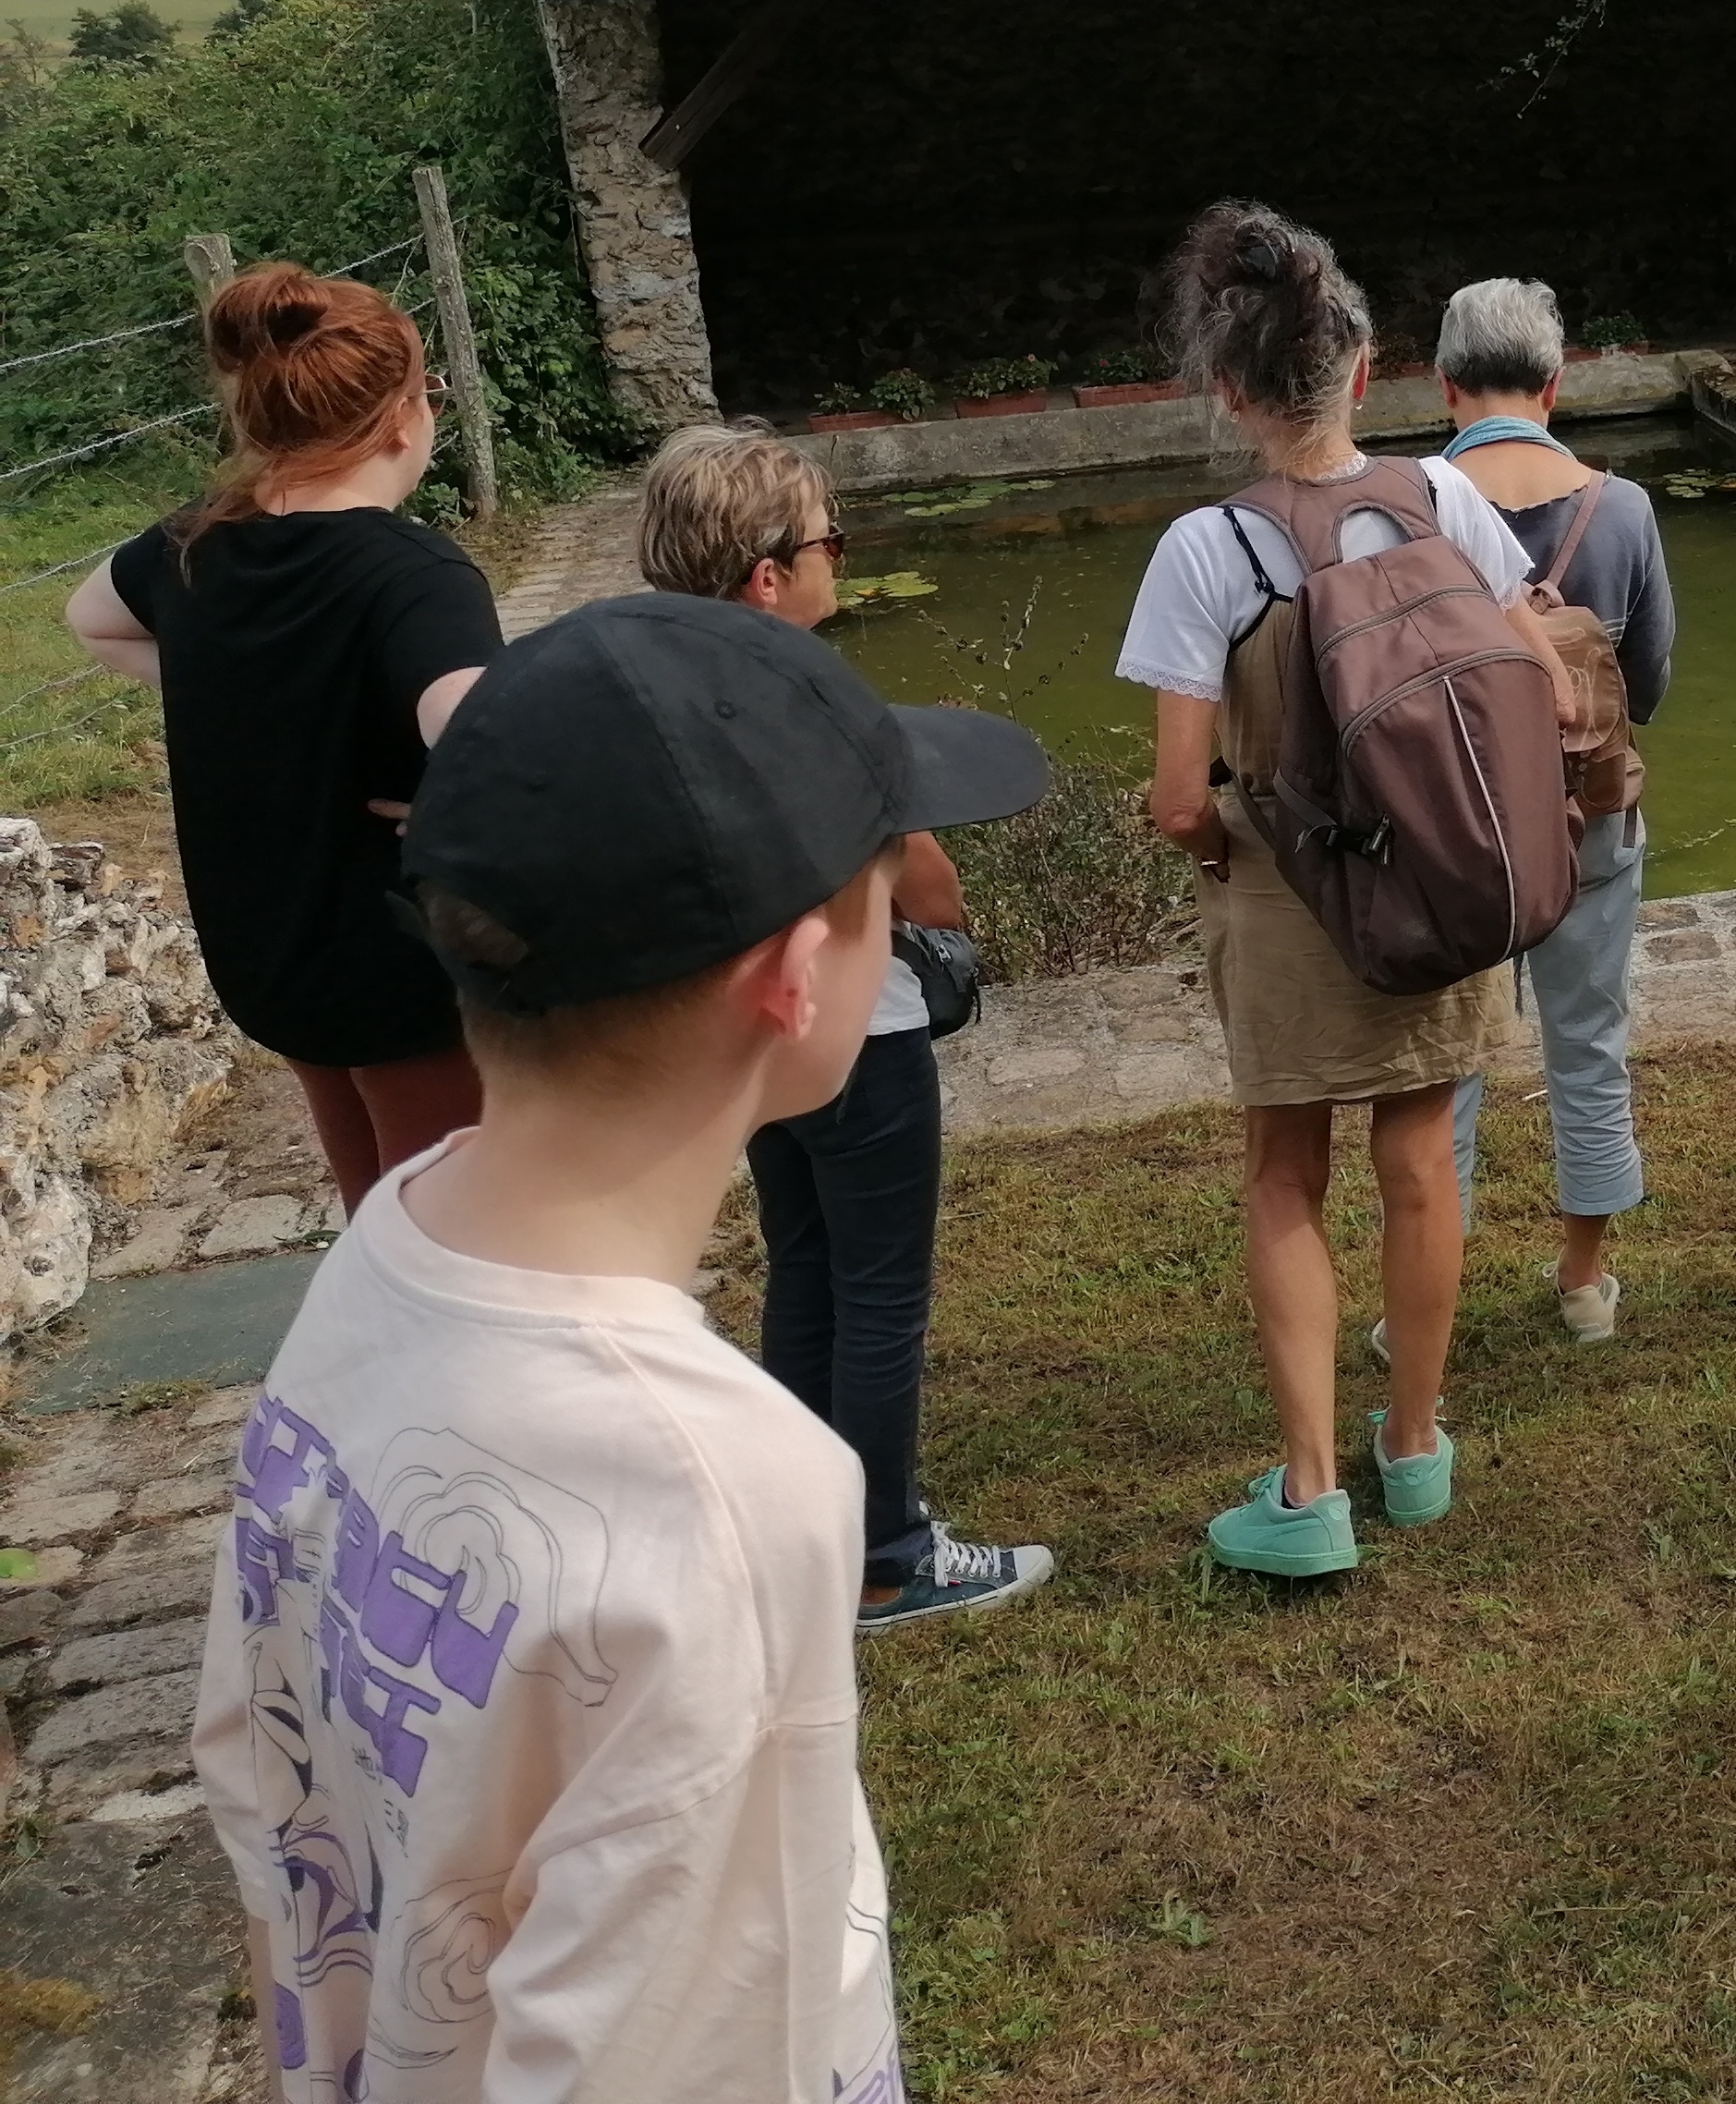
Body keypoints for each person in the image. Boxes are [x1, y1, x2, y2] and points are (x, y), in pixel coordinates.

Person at [189, 591, 1046, 2102]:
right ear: (795, 975)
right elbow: (721, 2044)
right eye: (884, 887)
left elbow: (254, 1749)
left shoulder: (384, 1252)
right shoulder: (724, 1491)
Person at [1118, 201, 1575, 1576]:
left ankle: (1310, 1493)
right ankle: (1418, 1449)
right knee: (1422, 1157)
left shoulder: (1207, 550)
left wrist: (1221, 861)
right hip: (1438, 883)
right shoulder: (1442, 500)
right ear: (1361, 373)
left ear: (1226, 393)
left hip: (1287, 900)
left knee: (1282, 1174)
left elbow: (1183, 799)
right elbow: (1542, 686)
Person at [636, 421, 1053, 1628]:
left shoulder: (659, 690)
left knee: (802, 1265)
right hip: (859, 1037)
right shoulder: (811, 694)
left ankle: (803, 1525)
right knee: (881, 1295)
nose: (840, 559)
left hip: (750, 1035)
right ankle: (888, 1554)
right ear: (770, 573)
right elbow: (921, 876)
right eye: (830, 539)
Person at [67, 263, 495, 1210]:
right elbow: (477, 727)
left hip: (270, 950)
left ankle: (371, 1343)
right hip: (396, 962)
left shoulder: (196, 542)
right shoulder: (412, 574)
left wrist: (240, 688)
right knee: (447, 1229)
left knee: (370, 1203)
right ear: (403, 415)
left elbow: (91, 616)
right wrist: (469, 793)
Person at [1432, 278, 1677, 1342]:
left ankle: (1424, 1287)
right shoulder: (1617, 508)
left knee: (1442, 1066)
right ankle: (1582, 1284)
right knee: (1588, 1043)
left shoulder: (1405, 503)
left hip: (1451, 834)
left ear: (1443, 385)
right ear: (1556, 379)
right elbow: (1653, 684)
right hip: (1588, 825)